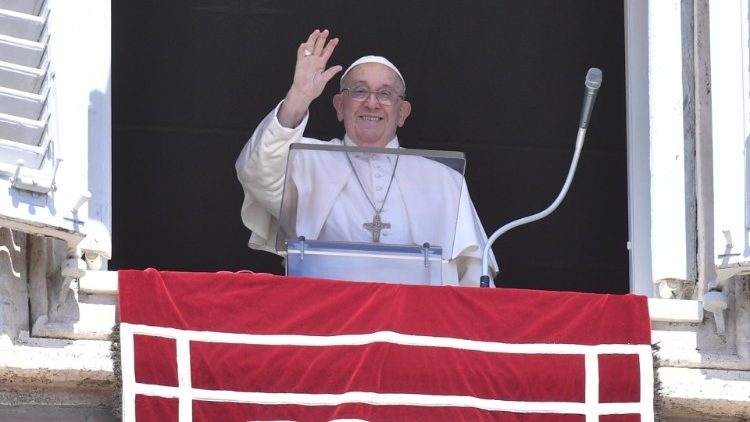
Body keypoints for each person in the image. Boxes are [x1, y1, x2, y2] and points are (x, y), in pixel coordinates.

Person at [236, 29, 497, 286]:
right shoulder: (305, 159)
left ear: (403, 112)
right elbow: (257, 173)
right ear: (339, 106)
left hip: (418, 322)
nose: (372, 104)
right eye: (359, 91)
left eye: (385, 94)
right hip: (327, 319)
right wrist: (299, 97)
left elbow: (475, 274)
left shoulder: (444, 180)